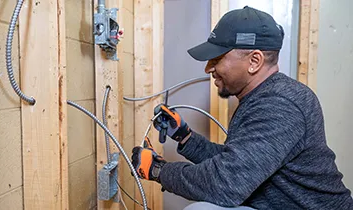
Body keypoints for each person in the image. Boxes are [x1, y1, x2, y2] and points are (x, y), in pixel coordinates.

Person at [131, 6, 353, 210]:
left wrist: (157, 170)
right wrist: (185, 137)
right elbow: (238, 164)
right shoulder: (263, 97)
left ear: (254, 61)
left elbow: (225, 183)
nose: (208, 68)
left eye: (216, 59)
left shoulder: (279, 105)